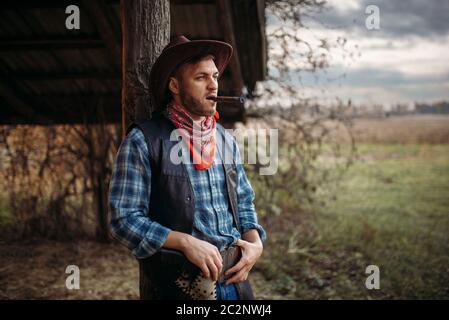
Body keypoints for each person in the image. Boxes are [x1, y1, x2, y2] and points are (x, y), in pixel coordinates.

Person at [108, 35, 266, 300]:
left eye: (215, 76)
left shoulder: (225, 139)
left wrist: (255, 242)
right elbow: (123, 220)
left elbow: (244, 201)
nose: (213, 86)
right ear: (174, 85)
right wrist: (183, 241)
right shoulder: (144, 140)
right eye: (201, 78)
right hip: (181, 288)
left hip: (236, 282)